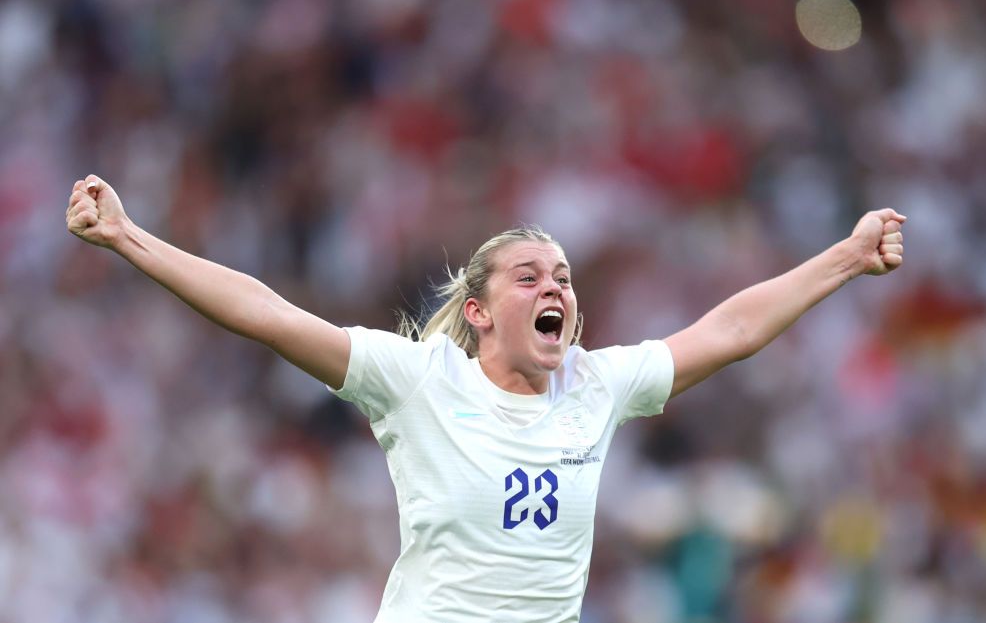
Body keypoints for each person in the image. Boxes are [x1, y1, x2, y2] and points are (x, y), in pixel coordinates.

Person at [65, 174, 905, 622]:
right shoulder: (418, 379)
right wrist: (131, 238)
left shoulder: (595, 385)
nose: (558, 288)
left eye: (566, 278)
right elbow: (271, 316)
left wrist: (845, 257)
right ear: (478, 311)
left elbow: (730, 331)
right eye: (531, 276)